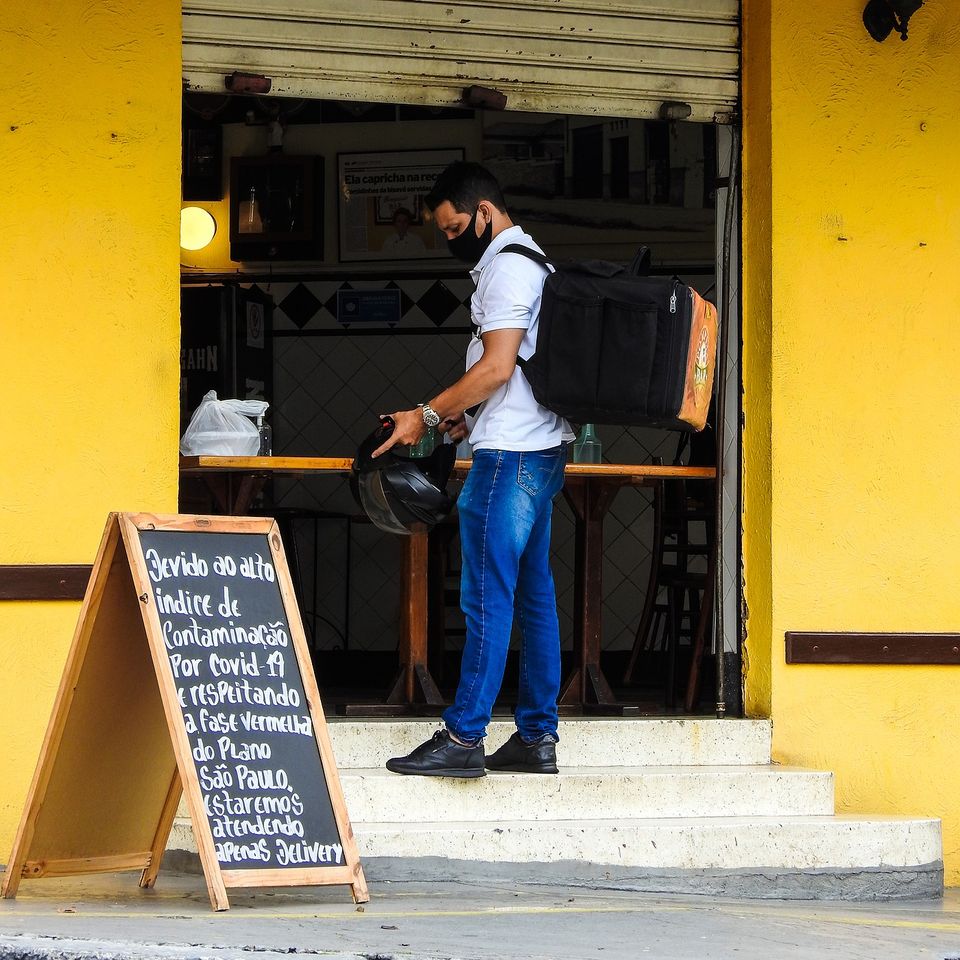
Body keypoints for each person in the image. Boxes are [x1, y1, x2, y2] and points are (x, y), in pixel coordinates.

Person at [373, 161, 573, 778]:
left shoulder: (509, 268)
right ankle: (537, 737)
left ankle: (463, 736)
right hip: (536, 449)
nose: (452, 238)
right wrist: (468, 421)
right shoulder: (532, 261)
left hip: (510, 459)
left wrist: (425, 417)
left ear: (484, 212)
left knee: (487, 596)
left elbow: (497, 368)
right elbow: (514, 374)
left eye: (456, 226)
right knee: (535, 594)